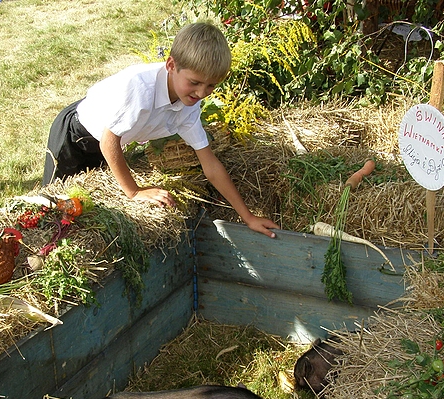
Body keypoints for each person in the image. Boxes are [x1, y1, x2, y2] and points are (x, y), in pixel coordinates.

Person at [43, 22, 279, 238]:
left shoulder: (189, 106)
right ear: (171, 65)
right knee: (52, 210)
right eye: (194, 82)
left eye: (211, 86)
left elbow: (210, 165)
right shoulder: (140, 89)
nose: (201, 93)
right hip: (75, 136)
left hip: (107, 144)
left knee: (88, 213)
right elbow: (108, 141)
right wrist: (134, 193)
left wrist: (247, 217)